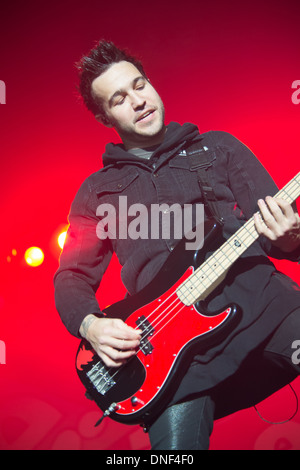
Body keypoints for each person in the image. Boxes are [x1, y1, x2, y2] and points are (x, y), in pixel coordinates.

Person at [54, 40, 300, 450]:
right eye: (119, 98)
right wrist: (90, 325)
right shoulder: (95, 193)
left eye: (140, 84)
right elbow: (72, 276)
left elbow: (282, 237)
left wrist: (291, 237)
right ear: (104, 116)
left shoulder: (218, 147)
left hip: (266, 310)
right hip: (171, 355)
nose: (138, 100)